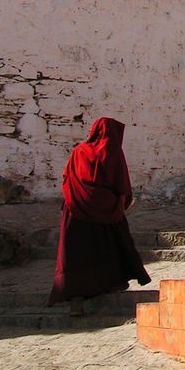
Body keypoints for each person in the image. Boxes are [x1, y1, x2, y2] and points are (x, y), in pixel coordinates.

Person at [47, 117, 151, 313]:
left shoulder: (79, 152)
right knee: (109, 245)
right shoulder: (112, 152)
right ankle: (110, 283)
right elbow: (121, 183)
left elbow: (67, 178)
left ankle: (75, 293)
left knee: (79, 252)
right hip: (108, 210)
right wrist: (119, 204)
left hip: (78, 210)